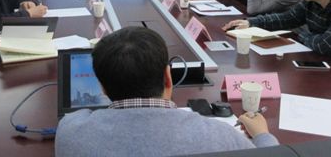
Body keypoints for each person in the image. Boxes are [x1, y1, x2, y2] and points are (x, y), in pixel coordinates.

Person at [55, 27, 278, 157]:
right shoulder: (220, 137)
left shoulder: (70, 131)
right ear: (168, 77)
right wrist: (262, 135)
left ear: (102, 87)